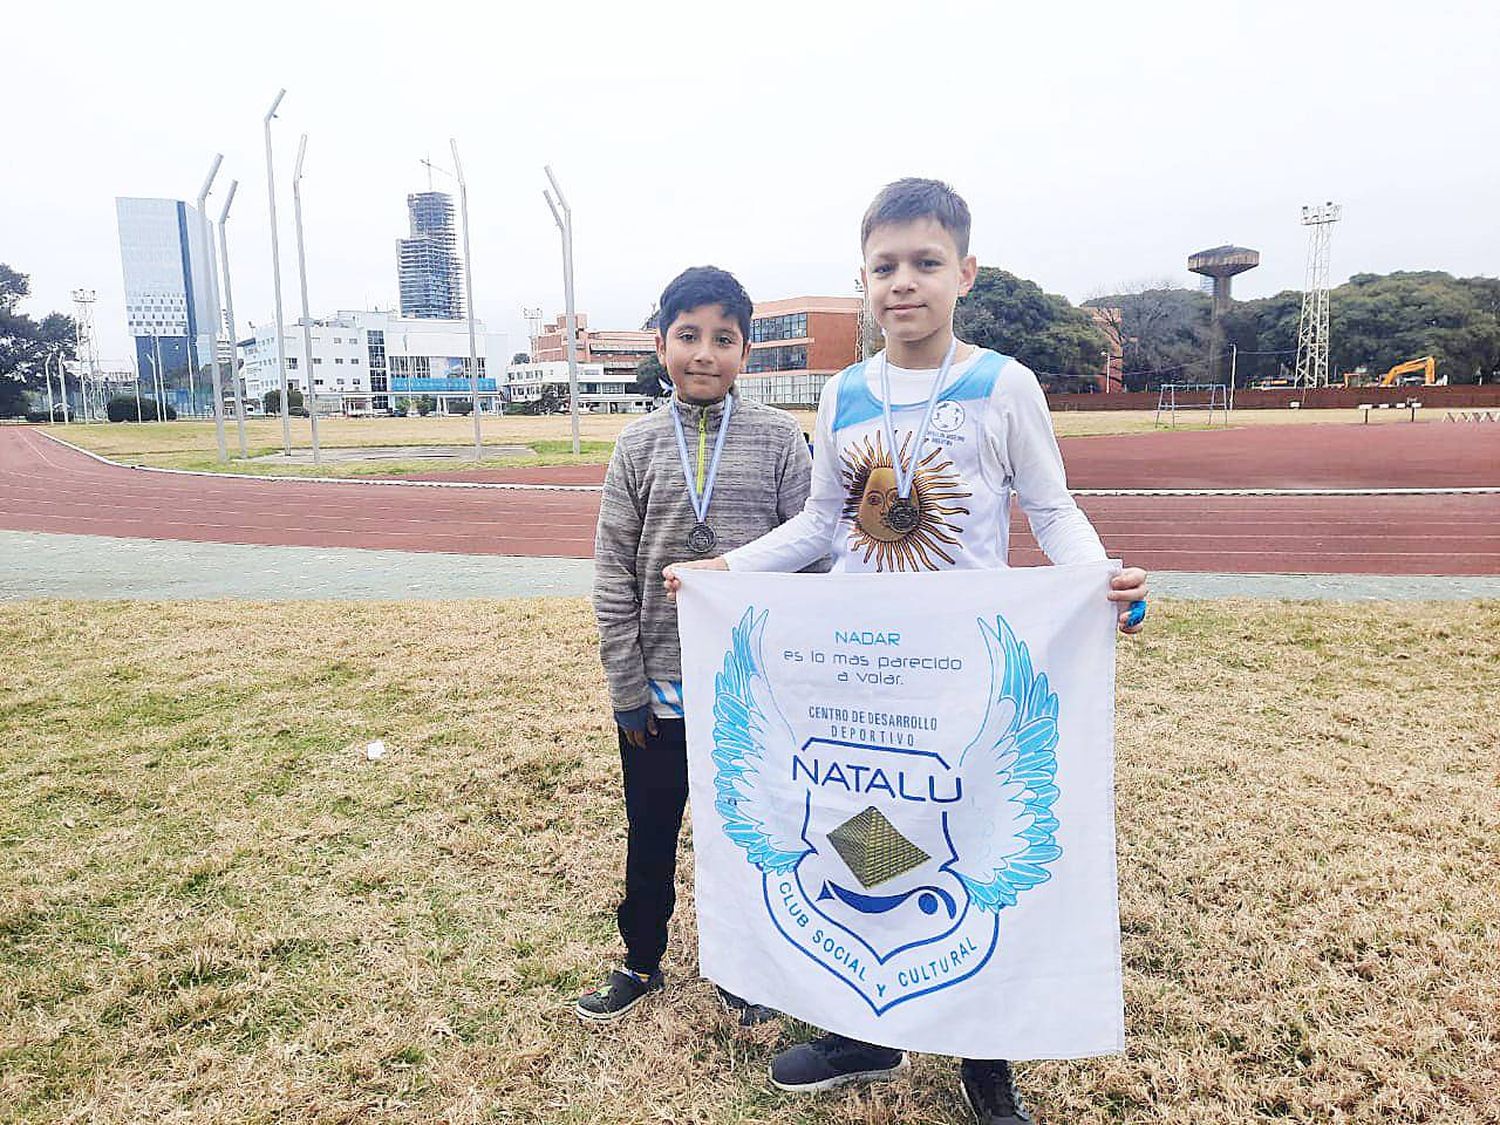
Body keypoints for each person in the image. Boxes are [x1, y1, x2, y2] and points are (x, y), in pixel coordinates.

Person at [665, 179, 1149, 1123]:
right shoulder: (845, 391)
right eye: (884, 266)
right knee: (865, 827)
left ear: (965, 273)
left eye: (926, 263)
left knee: (968, 838)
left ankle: (986, 1046)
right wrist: (724, 566)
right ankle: (866, 1028)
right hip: (855, 666)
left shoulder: (1003, 383)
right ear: (864, 278)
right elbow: (818, 523)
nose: (904, 284)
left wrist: (1098, 582)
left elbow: (1050, 507)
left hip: (962, 665)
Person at [579, 265, 818, 1026]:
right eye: (688, 336)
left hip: (752, 688)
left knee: (749, 830)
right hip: (660, 687)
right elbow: (614, 572)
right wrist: (628, 687)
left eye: (723, 338)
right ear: (660, 344)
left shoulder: (782, 439)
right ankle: (640, 958)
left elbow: (810, 557)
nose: (704, 353)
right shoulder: (638, 443)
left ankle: (745, 968)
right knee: (651, 827)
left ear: (746, 352)